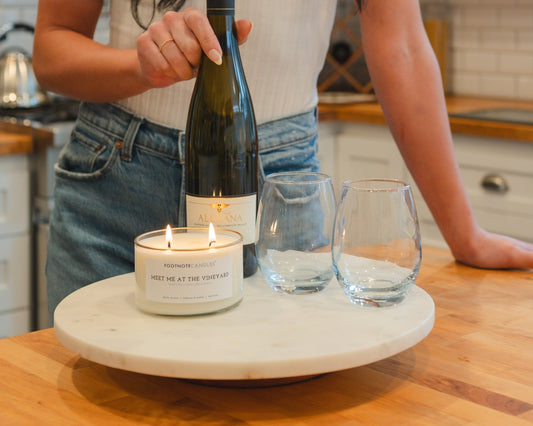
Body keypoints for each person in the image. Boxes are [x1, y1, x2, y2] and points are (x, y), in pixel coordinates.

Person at [33, 0, 533, 316]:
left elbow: (401, 43)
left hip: (280, 197)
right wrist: (140, 67)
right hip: (113, 190)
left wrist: (465, 236)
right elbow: (51, 51)